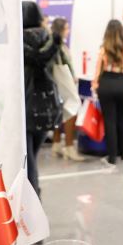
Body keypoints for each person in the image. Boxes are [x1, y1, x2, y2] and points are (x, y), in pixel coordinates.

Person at [22, 1, 63, 197]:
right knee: (33, 155)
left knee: (28, 158)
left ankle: (33, 198)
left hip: (25, 105)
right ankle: (33, 195)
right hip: (47, 105)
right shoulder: (49, 39)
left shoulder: (17, 42)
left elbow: (34, 59)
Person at [91, 20, 123, 166]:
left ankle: (111, 157)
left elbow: (98, 70)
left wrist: (94, 86)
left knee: (109, 120)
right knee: (122, 119)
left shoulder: (104, 48)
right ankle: (122, 153)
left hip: (107, 84)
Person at [50, 17, 86, 162]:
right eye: (67, 28)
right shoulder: (59, 46)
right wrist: (72, 77)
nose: (68, 31)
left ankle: (56, 144)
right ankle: (69, 147)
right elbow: (65, 65)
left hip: (56, 83)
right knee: (72, 110)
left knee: (59, 112)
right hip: (63, 82)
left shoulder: (52, 44)